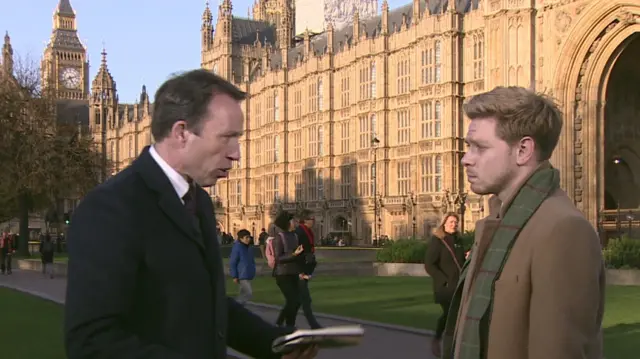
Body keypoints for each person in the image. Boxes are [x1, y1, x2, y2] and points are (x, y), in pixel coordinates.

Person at [64, 69, 317, 359]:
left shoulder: (200, 203)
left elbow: (205, 305)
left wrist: (274, 343)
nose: (237, 154)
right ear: (181, 132)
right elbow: (92, 343)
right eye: (226, 138)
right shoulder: (111, 208)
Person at [442, 86, 604, 359]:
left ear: (523, 150)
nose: (465, 159)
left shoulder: (563, 230)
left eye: (480, 147)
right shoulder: (498, 222)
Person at [424, 212, 465, 358]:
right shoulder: (438, 241)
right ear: (444, 223)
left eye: (455, 222)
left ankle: (451, 344)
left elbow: (459, 261)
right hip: (444, 287)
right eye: (451, 222)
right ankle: (439, 340)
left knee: (455, 315)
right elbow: (429, 264)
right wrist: (443, 279)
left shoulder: (458, 240)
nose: (453, 224)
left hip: (458, 285)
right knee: (450, 313)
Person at [272, 211, 304, 328]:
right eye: (293, 220)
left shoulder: (295, 236)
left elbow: (297, 255)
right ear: (287, 223)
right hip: (282, 274)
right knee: (292, 300)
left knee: (297, 301)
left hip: (294, 272)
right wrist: (294, 254)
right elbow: (278, 258)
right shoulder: (279, 237)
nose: (295, 222)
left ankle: (286, 324)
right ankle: (284, 325)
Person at [294, 210, 322, 329]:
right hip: (300, 271)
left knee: (295, 301)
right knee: (306, 299)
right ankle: (314, 325)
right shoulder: (299, 232)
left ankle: (281, 323)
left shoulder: (308, 231)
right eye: (312, 219)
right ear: (305, 220)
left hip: (306, 268)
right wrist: (300, 272)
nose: (313, 221)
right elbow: (296, 254)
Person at [229, 229, 256, 305]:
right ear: (241, 238)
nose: (248, 239)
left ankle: (238, 311)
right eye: (246, 237)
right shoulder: (237, 248)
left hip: (248, 273)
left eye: (249, 237)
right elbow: (233, 263)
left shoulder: (248, 248)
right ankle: (235, 309)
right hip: (242, 275)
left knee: (242, 295)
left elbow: (251, 261)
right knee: (248, 293)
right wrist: (234, 276)